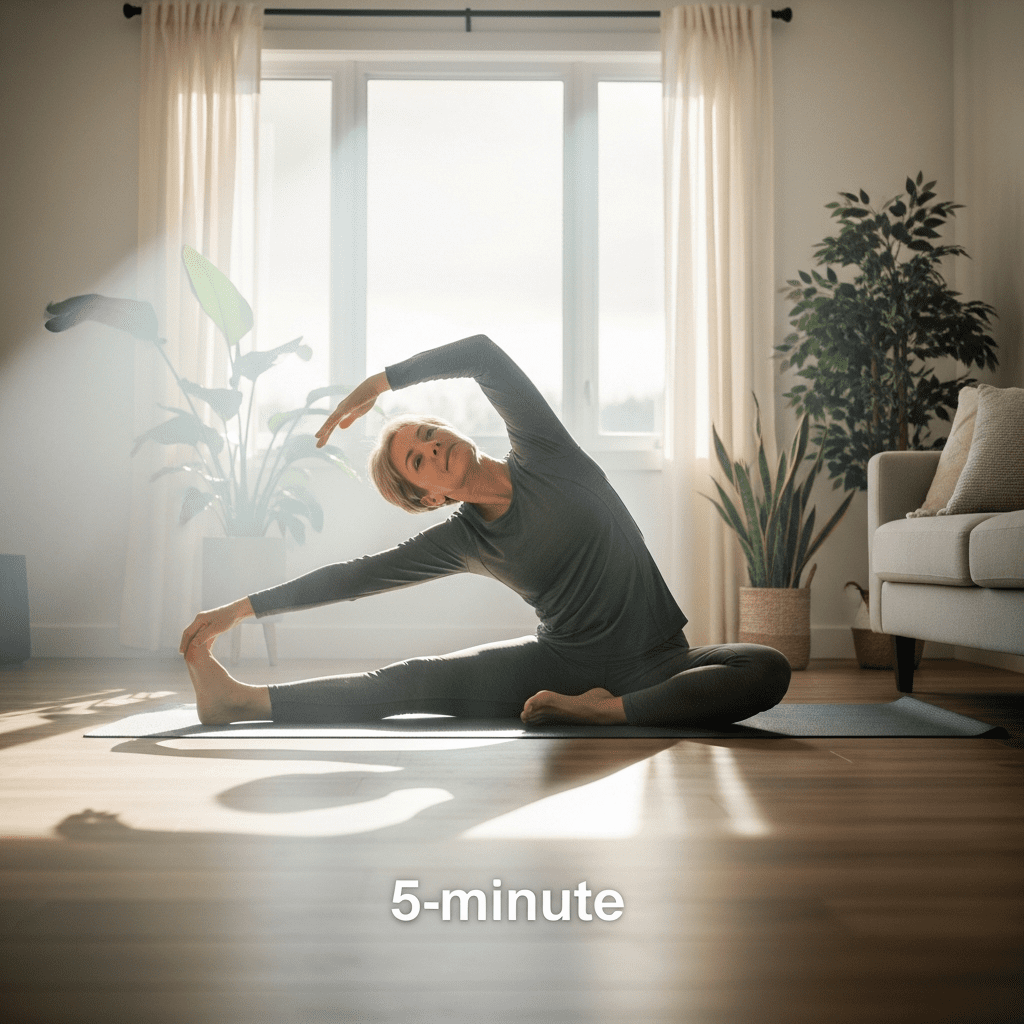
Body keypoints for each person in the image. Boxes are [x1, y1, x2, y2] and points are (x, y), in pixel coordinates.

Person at [180, 335, 790, 728]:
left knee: (767, 668)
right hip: (561, 666)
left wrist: (381, 383)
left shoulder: (546, 453)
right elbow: (356, 578)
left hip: (662, 660)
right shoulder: (463, 540)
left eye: (428, 434)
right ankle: (241, 701)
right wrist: (239, 609)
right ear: (430, 498)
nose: (431, 446)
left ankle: (606, 713)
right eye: (417, 460)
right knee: (410, 681)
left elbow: (482, 355)